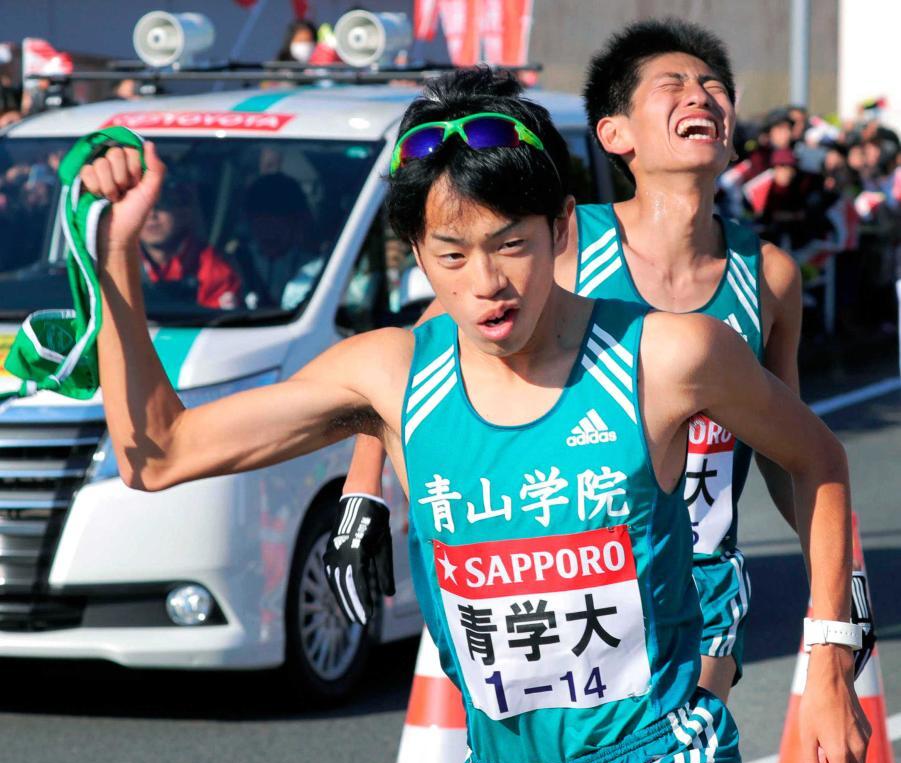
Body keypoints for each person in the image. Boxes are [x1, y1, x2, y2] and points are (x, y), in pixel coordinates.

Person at [83, 67, 868, 763]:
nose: (488, 283)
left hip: (660, 756)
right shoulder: (388, 372)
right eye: (452, 256)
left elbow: (818, 457)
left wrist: (831, 667)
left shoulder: (669, 355)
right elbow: (160, 452)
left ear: (562, 230)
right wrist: (116, 251)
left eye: (513, 246)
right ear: (416, 257)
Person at [328, 19, 800, 706]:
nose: (700, 96)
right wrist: (363, 489)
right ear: (615, 135)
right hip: (568, 566)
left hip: (699, 582)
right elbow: (422, 352)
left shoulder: (768, 277)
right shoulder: (565, 239)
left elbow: (793, 455)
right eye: (672, 85)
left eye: (713, 87)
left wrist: (837, 599)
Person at [138, 176, 240, 311]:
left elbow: (218, 326)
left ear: (185, 212)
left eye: (162, 205)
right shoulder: (118, 262)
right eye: (143, 207)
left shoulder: (214, 268)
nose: (151, 215)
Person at [228, 172, 322, 310]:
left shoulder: (315, 269)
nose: (268, 233)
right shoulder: (233, 264)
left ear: (295, 223)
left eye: (277, 224)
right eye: (261, 223)